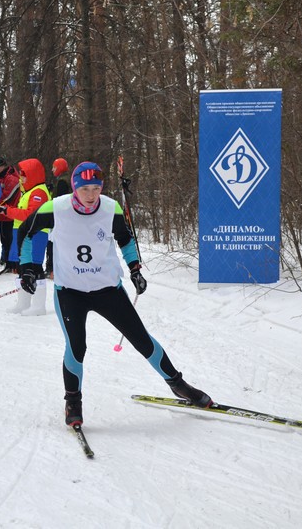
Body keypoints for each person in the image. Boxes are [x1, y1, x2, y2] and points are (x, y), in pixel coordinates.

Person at [17, 161, 212, 427]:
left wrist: (134, 269)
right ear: (75, 187)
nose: (91, 195)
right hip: (70, 292)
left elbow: (125, 238)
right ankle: (73, 401)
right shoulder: (56, 208)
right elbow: (26, 233)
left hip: (108, 290)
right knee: (76, 347)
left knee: (142, 339)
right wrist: (28, 268)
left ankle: (179, 385)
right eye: (84, 188)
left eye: (96, 188)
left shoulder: (111, 208)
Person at [0, 158, 50, 314]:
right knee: (23, 267)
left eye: (24, 175)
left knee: (35, 267)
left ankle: (39, 306)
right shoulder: (29, 191)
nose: (21, 178)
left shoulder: (38, 192)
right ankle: (24, 302)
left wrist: (8, 211)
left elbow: (29, 215)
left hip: (36, 234)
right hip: (24, 235)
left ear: (33, 175)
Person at [0, 158, 20, 271]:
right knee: (4, 239)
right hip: (2, 213)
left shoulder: (11, 178)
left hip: (8, 213)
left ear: (2, 167)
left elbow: (8, 197)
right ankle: (7, 261)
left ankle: (11, 263)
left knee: (8, 239)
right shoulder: (1, 177)